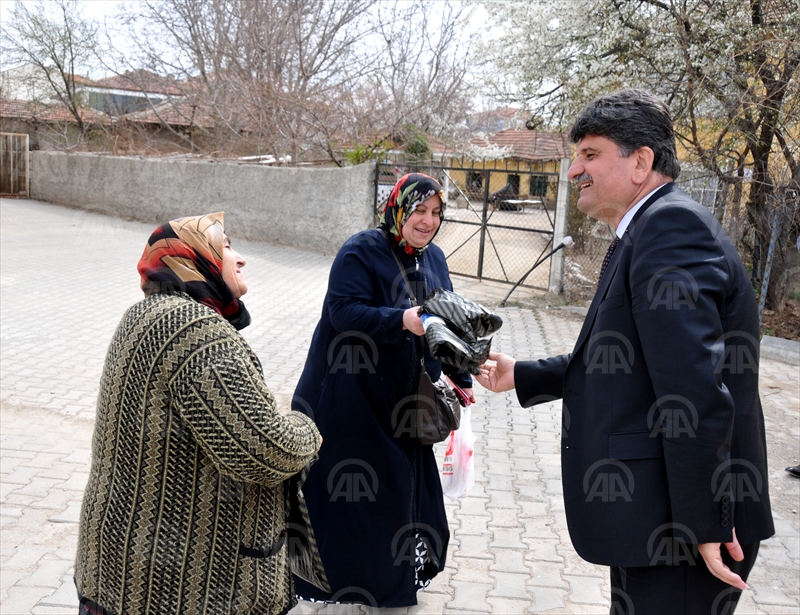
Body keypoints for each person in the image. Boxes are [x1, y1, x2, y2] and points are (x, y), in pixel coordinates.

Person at [476, 90, 774, 614]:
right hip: (661, 518)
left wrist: (704, 522)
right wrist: (522, 375)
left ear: (641, 161)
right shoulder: (649, 228)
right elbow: (633, 363)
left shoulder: (669, 229)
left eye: (590, 155)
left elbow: (695, 390)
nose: (574, 171)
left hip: (681, 531)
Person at [75, 212, 321, 615]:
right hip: (175, 587)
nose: (240, 258)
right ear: (193, 257)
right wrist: (307, 429)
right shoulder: (196, 333)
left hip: (119, 570)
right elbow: (263, 450)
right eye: (225, 246)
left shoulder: (144, 314)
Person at [291, 173, 474, 607]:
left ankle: (395, 583)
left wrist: (463, 372)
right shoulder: (361, 251)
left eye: (435, 213)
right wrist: (401, 320)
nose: (427, 221)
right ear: (396, 208)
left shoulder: (434, 258)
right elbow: (342, 311)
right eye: (418, 211)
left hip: (405, 400)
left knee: (404, 491)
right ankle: (334, 583)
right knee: (355, 501)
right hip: (349, 395)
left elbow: (443, 319)